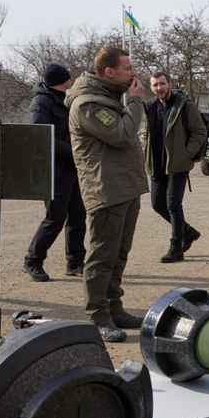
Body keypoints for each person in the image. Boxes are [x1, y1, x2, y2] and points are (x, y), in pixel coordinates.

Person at [66, 46, 148, 343]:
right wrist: (136, 102)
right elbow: (124, 135)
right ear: (109, 72)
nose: (134, 73)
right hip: (106, 191)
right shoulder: (87, 103)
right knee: (102, 257)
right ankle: (98, 317)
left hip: (124, 188)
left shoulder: (107, 97)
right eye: (128, 68)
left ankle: (115, 308)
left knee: (119, 255)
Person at [21, 64, 87, 282]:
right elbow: (42, 137)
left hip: (73, 167)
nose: (72, 80)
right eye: (69, 78)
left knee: (78, 217)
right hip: (55, 169)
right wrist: (74, 151)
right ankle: (32, 261)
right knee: (55, 219)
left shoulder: (67, 99)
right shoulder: (41, 102)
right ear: (62, 80)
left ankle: (76, 262)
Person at [143, 71, 206, 263]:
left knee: (173, 204)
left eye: (162, 84)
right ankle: (188, 231)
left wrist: (186, 154)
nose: (159, 88)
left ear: (169, 84)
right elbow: (146, 134)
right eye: (155, 85)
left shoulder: (184, 105)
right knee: (157, 204)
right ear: (151, 87)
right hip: (156, 164)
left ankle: (177, 246)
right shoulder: (149, 107)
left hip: (178, 164)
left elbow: (200, 131)